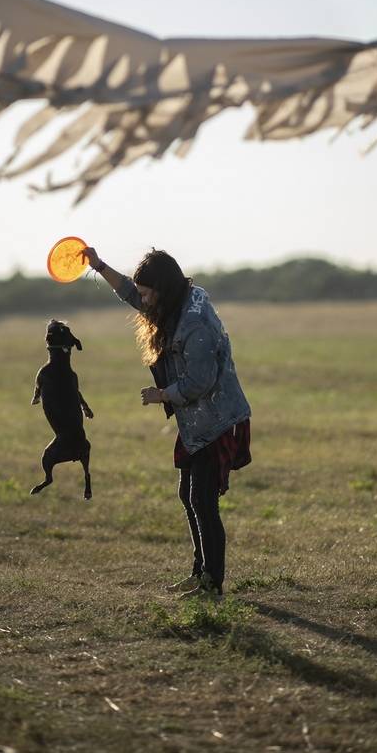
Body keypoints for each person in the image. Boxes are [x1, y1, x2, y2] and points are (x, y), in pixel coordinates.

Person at [81, 246, 251, 599]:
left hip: (217, 420)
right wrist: (98, 265)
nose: (141, 299)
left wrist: (161, 395)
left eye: (147, 293)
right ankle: (199, 572)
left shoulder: (192, 323)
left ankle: (212, 584)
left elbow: (200, 381)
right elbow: (130, 291)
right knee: (188, 496)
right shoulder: (172, 303)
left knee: (203, 500)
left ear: (162, 289)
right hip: (197, 421)